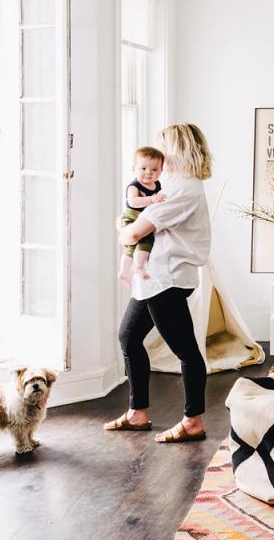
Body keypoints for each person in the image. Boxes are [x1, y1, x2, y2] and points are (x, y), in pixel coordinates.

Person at [104, 123, 213, 443]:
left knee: (186, 352)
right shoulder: (174, 185)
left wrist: (123, 229)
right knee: (129, 337)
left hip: (167, 278)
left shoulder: (182, 190)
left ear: (177, 150)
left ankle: (193, 422)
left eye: (162, 147)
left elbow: (134, 233)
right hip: (154, 278)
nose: (158, 154)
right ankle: (137, 414)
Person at [117, 146, 167, 283]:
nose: (148, 172)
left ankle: (126, 271)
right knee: (141, 242)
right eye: (143, 168)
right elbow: (132, 201)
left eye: (154, 169)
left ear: (161, 170)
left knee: (138, 244)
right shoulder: (134, 186)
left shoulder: (156, 184)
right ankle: (136, 267)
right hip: (131, 217)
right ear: (134, 169)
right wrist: (151, 199)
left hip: (142, 218)